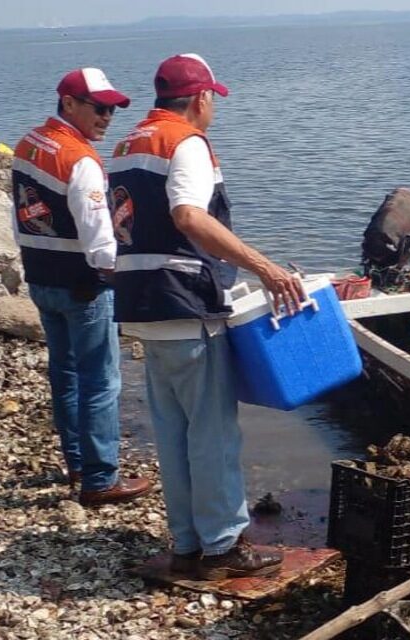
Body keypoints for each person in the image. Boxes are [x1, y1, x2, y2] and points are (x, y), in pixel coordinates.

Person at [108, 53, 304, 580]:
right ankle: (222, 546)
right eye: (213, 99)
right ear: (200, 98)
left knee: (174, 433)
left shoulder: (127, 145)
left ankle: (188, 542)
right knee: (213, 432)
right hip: (185, 302)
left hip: (143, 306)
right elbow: (189, 215)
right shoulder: (185, 142)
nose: (213, 109)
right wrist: (264, 267)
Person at [11, 68, 153, 507]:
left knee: (65, 371)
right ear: (69, 103)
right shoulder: (81, 160)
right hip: (82, 286)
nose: (107, 117)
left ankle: (77, 462)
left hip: (40, 276)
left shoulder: (28, 144)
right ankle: (100, 478)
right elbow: (100, 240)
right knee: (100, 380)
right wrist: (121, 278)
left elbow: (20, 212)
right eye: (100, 108)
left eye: (112, 110)